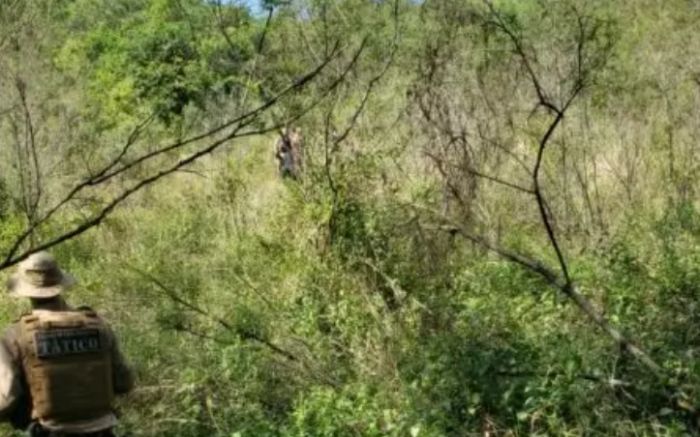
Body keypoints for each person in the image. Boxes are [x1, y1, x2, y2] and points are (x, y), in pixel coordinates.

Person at [0, 251, 134, 436]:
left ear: (24, 290)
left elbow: (6, 400)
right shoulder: (98, 325)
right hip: (102, 431)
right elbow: (124, 382)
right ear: (60, 283)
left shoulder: (15, 335)